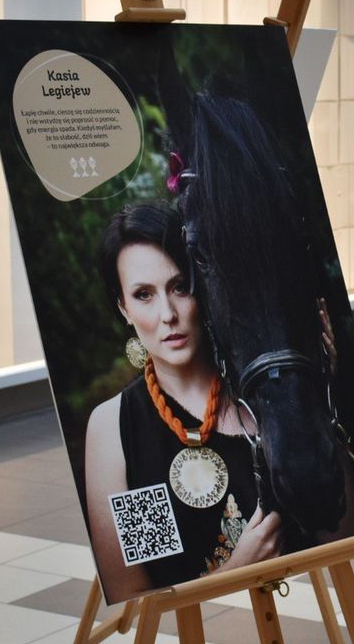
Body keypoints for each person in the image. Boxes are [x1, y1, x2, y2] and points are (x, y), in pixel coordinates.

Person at [85, 200, 291, 601]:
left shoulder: (263, 389)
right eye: (143, 295)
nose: (168, 314)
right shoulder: (119, 428)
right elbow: (137, 596)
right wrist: (235, 573)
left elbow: (342, 536)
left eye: (180, 287)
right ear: (123, 309)